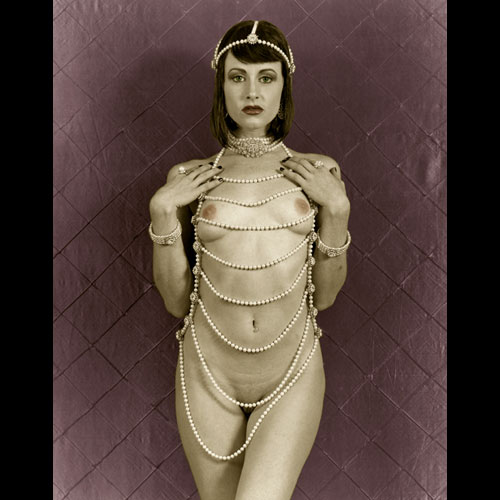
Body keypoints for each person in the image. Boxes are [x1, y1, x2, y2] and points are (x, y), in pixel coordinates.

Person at [148, 20, 351, 500]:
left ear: (284, 86)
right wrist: (162, 212)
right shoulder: (190, 177)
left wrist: (338, 210)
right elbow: (176, 302)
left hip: (291, 371)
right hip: (207, 372)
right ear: (222, 87)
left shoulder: (318, 172)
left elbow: (325, 296)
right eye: (237, 77)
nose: (252, 92)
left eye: (267, 78)